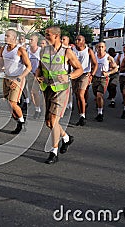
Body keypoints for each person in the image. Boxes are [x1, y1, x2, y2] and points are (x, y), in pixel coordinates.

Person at [36, 26, 83, 164]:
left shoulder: (67, 52)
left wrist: (69, 76)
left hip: (61, 90)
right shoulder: (43, 51)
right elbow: (40, 67)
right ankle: (67, 138)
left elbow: (79, 69)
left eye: (48, 35)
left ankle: (53, 152)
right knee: (49, 122)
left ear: (56, 36)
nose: (45, 37)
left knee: (54, 120)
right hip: (47, 88)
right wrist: (37, 75)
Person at [0, 29, 31, 134]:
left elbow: (29, 67)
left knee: (12, 103)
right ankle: (20, 121)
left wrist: (19, 78)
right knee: (9, 106)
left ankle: (22, 123)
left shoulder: (20, 50)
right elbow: (0, 63)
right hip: (6, 77)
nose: (5, 38)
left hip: (17, 78)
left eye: (7, 36)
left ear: (14, 38)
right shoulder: (3, 49)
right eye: (5, 36)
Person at [72, 35, 98, 126]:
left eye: (79, 40)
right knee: (77, 96)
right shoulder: (72, 50)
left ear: (84, 41)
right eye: (76, 39)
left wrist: (92, 74)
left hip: (84, 74)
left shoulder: (88, 51)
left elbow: (95, 64)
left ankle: (83, 116)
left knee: (80, 94)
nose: (77, 41)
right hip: (75, 74)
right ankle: (81, 114)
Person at [93, 42, 118, 122]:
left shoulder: (108, 57)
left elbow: (115, 68)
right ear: (97, 48)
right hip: (95, 78)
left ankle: (100, 113)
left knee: (99, 95)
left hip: (104, 79)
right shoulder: (94, 56)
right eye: (99, 47)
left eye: (102, 47)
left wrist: (108, 73)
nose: (100, 48)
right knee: (96, 95)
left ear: (105, 48)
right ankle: (99, 106)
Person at [27, 33, 42, 118]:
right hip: (30, 74)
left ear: (36, 41)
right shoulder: (27, 50)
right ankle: (37, 109)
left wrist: (39, 74)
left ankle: (40, 108)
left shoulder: (40, 50)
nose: (29, 41)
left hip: (39, 75)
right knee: (32, 92)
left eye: (31, 40)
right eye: (29, 39)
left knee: (36, 92)